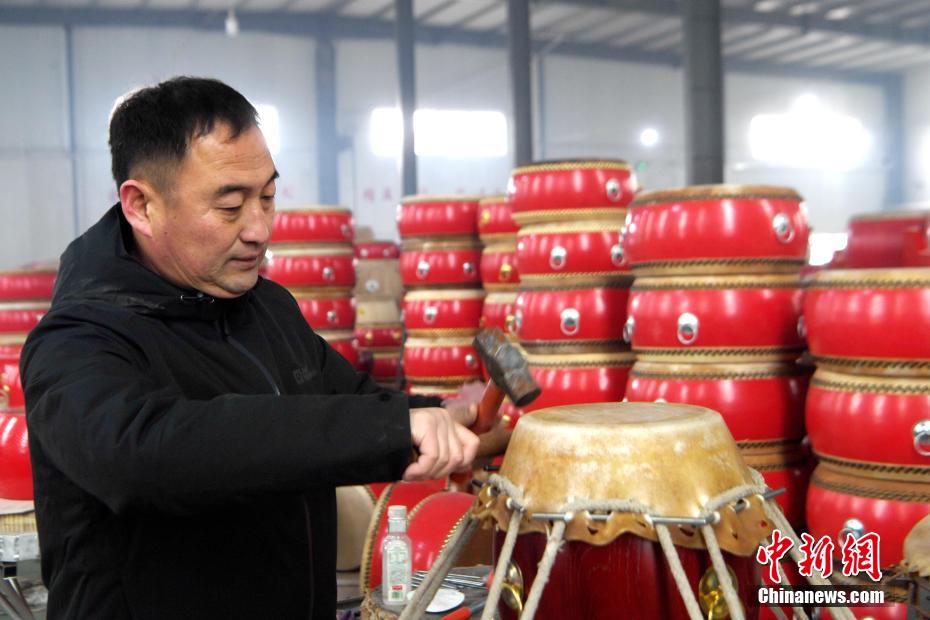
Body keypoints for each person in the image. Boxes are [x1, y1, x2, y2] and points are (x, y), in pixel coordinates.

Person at [20, 76, 480, 619]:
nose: (260, 230)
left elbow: (349, 401)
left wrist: (447, 415)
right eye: (231, 206)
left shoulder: (266, 309)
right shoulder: (77, 341)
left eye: (267, 198)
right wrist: (392, 428)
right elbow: (149, 456)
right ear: (141, 206)